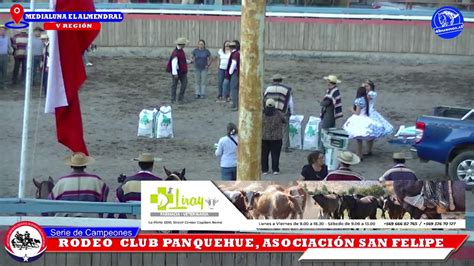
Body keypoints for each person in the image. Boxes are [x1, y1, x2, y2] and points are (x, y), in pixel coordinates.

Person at [342, 87, 384, 160]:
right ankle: (361, 153)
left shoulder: (358, 100)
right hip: (366, 118)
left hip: (359, 119)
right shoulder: (366, 99)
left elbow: (357, 113)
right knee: (361, 137)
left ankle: (359, 154)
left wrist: (351, 109)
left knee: (358, 139)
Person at [263, 73, 294, 152]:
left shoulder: (268, 89)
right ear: (281, 80)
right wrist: (292, 112)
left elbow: (264, 99)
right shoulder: (287, 89)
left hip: (270, 110)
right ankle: (285, 147)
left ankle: (269, 142)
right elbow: (290, 102)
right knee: (285, 129)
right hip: (282, 111)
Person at [363, 79, 394, 156]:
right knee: (367, 133)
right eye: (365, 86)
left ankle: (368, 150)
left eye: (367, 86)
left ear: (371, 87)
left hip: (370, 114)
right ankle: (368, 150)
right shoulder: (368, 93)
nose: (366, 87)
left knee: (370, 132)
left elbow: (365, 99)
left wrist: (362, 90)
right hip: (367, 113)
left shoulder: (372, 93)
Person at [261, 98, 286, 175]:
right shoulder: (278, 114)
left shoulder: (262, 114)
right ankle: (275, 169)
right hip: (277, 138)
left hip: (264, 137)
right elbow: (284, 121)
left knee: (264, 155)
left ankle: (264, 170)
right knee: (275, 154)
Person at [167, 37, 190, 104]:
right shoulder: (177, 52)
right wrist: (175, 73)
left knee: (178, 85)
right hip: (179, 72)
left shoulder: (179, 51)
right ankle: (176, 99)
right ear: (182, 44)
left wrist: (188, 61)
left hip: (180, 71)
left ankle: (176, 99)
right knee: (177, 85)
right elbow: (174, 63)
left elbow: (182, 60)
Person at [224, 40, 240, 111]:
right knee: (235, 89)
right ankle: (235, 104)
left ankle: (235, 105)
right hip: (236, 72)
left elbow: (234, 63)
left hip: (235, 73)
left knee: (234, 88)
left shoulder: (234, 54)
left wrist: (230, 72)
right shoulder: (236, 53)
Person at [0, 24, 11, 90]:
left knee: (4, 71)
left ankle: (3, 85)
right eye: (1, 30)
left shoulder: (7, 38)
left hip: (5, 56)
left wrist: (10, 53)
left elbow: (9, 46)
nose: (3, 31)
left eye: (4, 30)